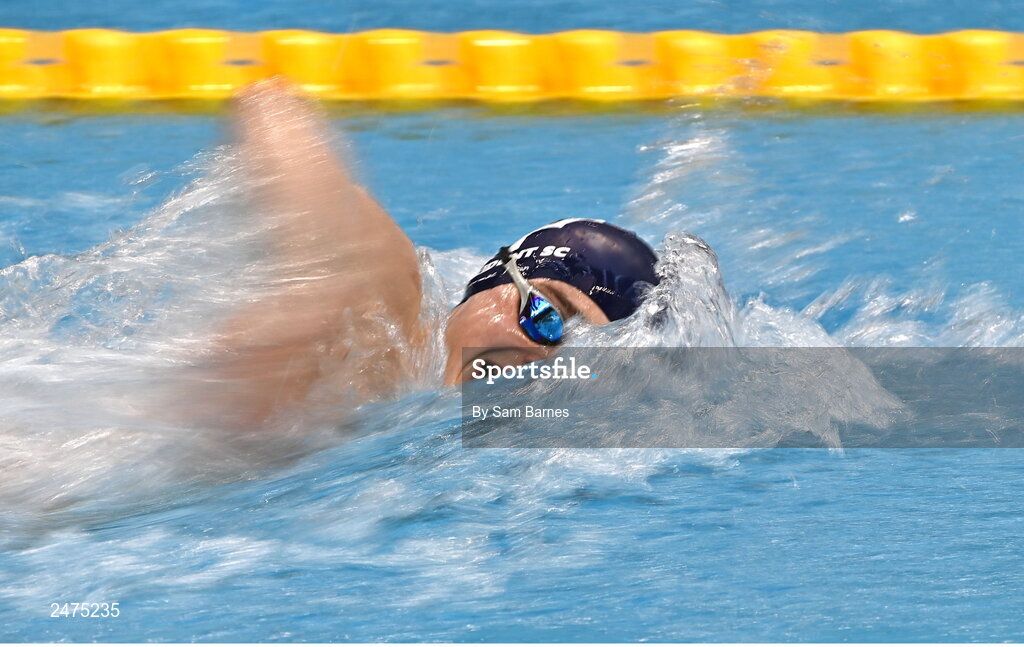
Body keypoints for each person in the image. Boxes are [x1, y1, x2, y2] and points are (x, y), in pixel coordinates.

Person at [205, 80, 660, 430]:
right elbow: (269, 108)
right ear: (489, 283)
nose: (539, 356)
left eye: (577, 353)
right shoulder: (374, 335)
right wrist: (311, 289)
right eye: (542, 313)